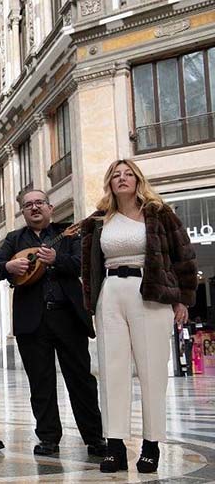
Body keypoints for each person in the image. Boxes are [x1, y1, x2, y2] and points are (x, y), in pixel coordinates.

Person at [81, 159, 197, 474]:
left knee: (152, 372)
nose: (122, 178)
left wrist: (183, 299)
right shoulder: (98, 221)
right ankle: (115, 447)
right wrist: (91, 303)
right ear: (109, 183)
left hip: (150, 292)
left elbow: (184, 258)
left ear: (137, 180)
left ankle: (151, 446)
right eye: (115, 175)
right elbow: (88, 267)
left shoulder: (160, 215)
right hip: (111, 293)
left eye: (127, 174)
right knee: (111, 372)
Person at [0, 189, 105, 457]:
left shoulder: (69, 234)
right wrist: (8, 268)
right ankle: (49, 437)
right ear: (23, 212)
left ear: (50, 208)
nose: (34, 208)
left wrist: (56, 260)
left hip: (68, 317)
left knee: (81, 381)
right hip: (33, 321)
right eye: (28, 205)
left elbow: (82, 264)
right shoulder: (15, 239)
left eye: (39, 202)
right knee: (40, 383)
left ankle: (95, 437)